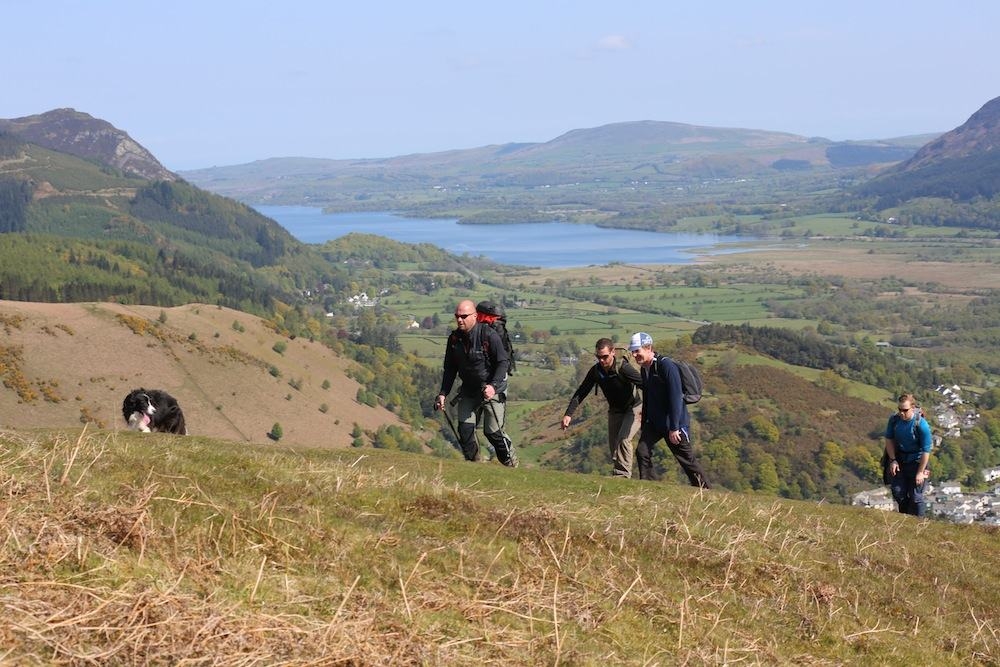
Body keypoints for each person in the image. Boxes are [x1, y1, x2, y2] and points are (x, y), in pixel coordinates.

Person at [434, 300, 518, 467]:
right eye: (457, 316)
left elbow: (502, 362)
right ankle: (475, 466)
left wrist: (492, 386)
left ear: (474, 316)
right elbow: (450, 369)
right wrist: (443, 393)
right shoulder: (454, 339)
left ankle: (510, 463)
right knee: (465, 430)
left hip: (493, 389)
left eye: (463, 316)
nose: (459, 320)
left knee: (493, 433)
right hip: (469, 390)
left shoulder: (489, 335)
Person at [630, 332, 710, 488]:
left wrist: (674, 428)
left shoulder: (666, 366)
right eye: (632, 351)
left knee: (687, 461)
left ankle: (706, 491)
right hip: (654, 423)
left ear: (648, 348)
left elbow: (676, 398)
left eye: (637, 351)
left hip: (674, 424)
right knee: (642, 452)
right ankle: (648, 487)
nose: (634, 355)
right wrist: (645, 420)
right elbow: (647, 396)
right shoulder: (644, 369)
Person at [561, 338, 643, 478]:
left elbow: (644, 384)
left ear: (612, 352)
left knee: (624, 439)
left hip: (634, 407)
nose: (602, 361)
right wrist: (568, 414)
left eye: (605, 357)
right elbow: (582, 391)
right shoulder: (596, 371)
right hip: (615, 410)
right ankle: (618, 476)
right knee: (614, 448)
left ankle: (622, 477)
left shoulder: (623, 368)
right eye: (598, 357)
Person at [884, 393, 932, 516]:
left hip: (918, 461)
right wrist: (893, 460)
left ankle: (920, 524)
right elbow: (889, 439)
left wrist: (920, 472)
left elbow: (926, 451)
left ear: (913, 408)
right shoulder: (894, 420)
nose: (901, 413)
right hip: (900, 459)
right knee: (898, 493)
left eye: (905, 410)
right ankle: (904, 520)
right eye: (899, 410)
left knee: (916, 496)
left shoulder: (921, 425)